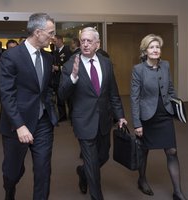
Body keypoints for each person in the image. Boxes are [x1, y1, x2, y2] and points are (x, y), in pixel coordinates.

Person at [59, 27, 127, 200]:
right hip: (83, 121)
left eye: (90, 41)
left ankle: (82, 172)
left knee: (103, 156)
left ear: (98, 44)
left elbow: (113, 93)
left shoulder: (106, 63)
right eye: (83, 41)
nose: (86, 44)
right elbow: (61, 94)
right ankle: (97, 196)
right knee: (91, 162)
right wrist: (73, 77)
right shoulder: (70, 65)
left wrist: (121, 116)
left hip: (104, 119)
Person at [0, 13, 58, 200]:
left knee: (43, 170)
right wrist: (19, 125)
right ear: (38, 32)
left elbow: (45, 89)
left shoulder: (48, 58)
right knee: (12, 171)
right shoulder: (11, 57)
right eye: (50, 33)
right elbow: (6, 95)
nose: (53, 37)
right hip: (18, 124)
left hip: (42, 122)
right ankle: (10, 190)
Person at [130, 34, 187, 200]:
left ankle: (177, 192)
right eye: (151, 47)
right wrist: (137, 123)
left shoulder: (166, 65)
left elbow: (170, 89)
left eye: (157, 47)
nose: (155, 50)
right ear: (145, 50)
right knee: (144, 151)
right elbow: (134, 98)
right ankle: (142, 179)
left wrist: (175, 106)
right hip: (147, 117)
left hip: (165, 115)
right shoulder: (138, 70)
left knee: (172, 150)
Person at [52, 34, 71, 122]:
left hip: (66, 78)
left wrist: (58, 68)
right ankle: (62, 116)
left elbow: (69, 66)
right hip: (57, 78)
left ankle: (71, 116)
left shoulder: (67, 50)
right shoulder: (55, 52)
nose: (54, 43)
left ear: (60, 40)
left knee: (69, 99)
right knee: (59, 99)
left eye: (55, 41)